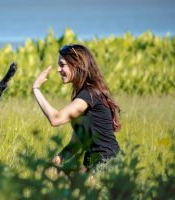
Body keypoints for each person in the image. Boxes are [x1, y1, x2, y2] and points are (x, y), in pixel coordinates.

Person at [32, 44, 120, 172]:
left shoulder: (89, 94)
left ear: (76, 65)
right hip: (94, 164)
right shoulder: (84, 95)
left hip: (107, 163)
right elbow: (75, 144)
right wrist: (54, 162)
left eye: (62, 65)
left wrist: (36, 88)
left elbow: (55, 119)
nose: (58, 69)